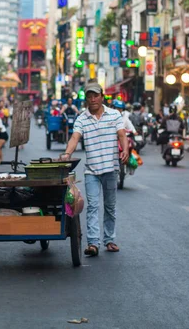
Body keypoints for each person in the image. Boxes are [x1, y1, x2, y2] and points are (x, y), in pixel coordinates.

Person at [61, 82, 129, 256]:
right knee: (92, 206)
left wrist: (126, 150)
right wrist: (67, 154)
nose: (93, 99)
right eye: (89, 96)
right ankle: (93, 243)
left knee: (110, 206)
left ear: (102, 96)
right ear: (86, 99)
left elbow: (122, 135)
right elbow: (75, 138)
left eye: (95, 95)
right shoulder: (82, 118)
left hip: (111, 168)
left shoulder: (114, 115)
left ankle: (109, 240)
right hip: (91, 170)